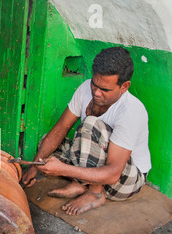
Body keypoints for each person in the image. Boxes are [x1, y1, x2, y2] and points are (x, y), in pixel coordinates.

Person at [22, 47, 151, 216]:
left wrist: (62, 170)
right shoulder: (85, 89)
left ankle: (95, 194)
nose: (96, 93)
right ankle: (82, 183)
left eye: (105, 90)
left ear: (124, 86)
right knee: (46, 145)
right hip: (99, 162)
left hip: (126, 180)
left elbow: (113, 174)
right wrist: (35, 166)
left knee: (91, 124)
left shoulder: (131, 112)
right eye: (94, 85)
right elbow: (60, 130)